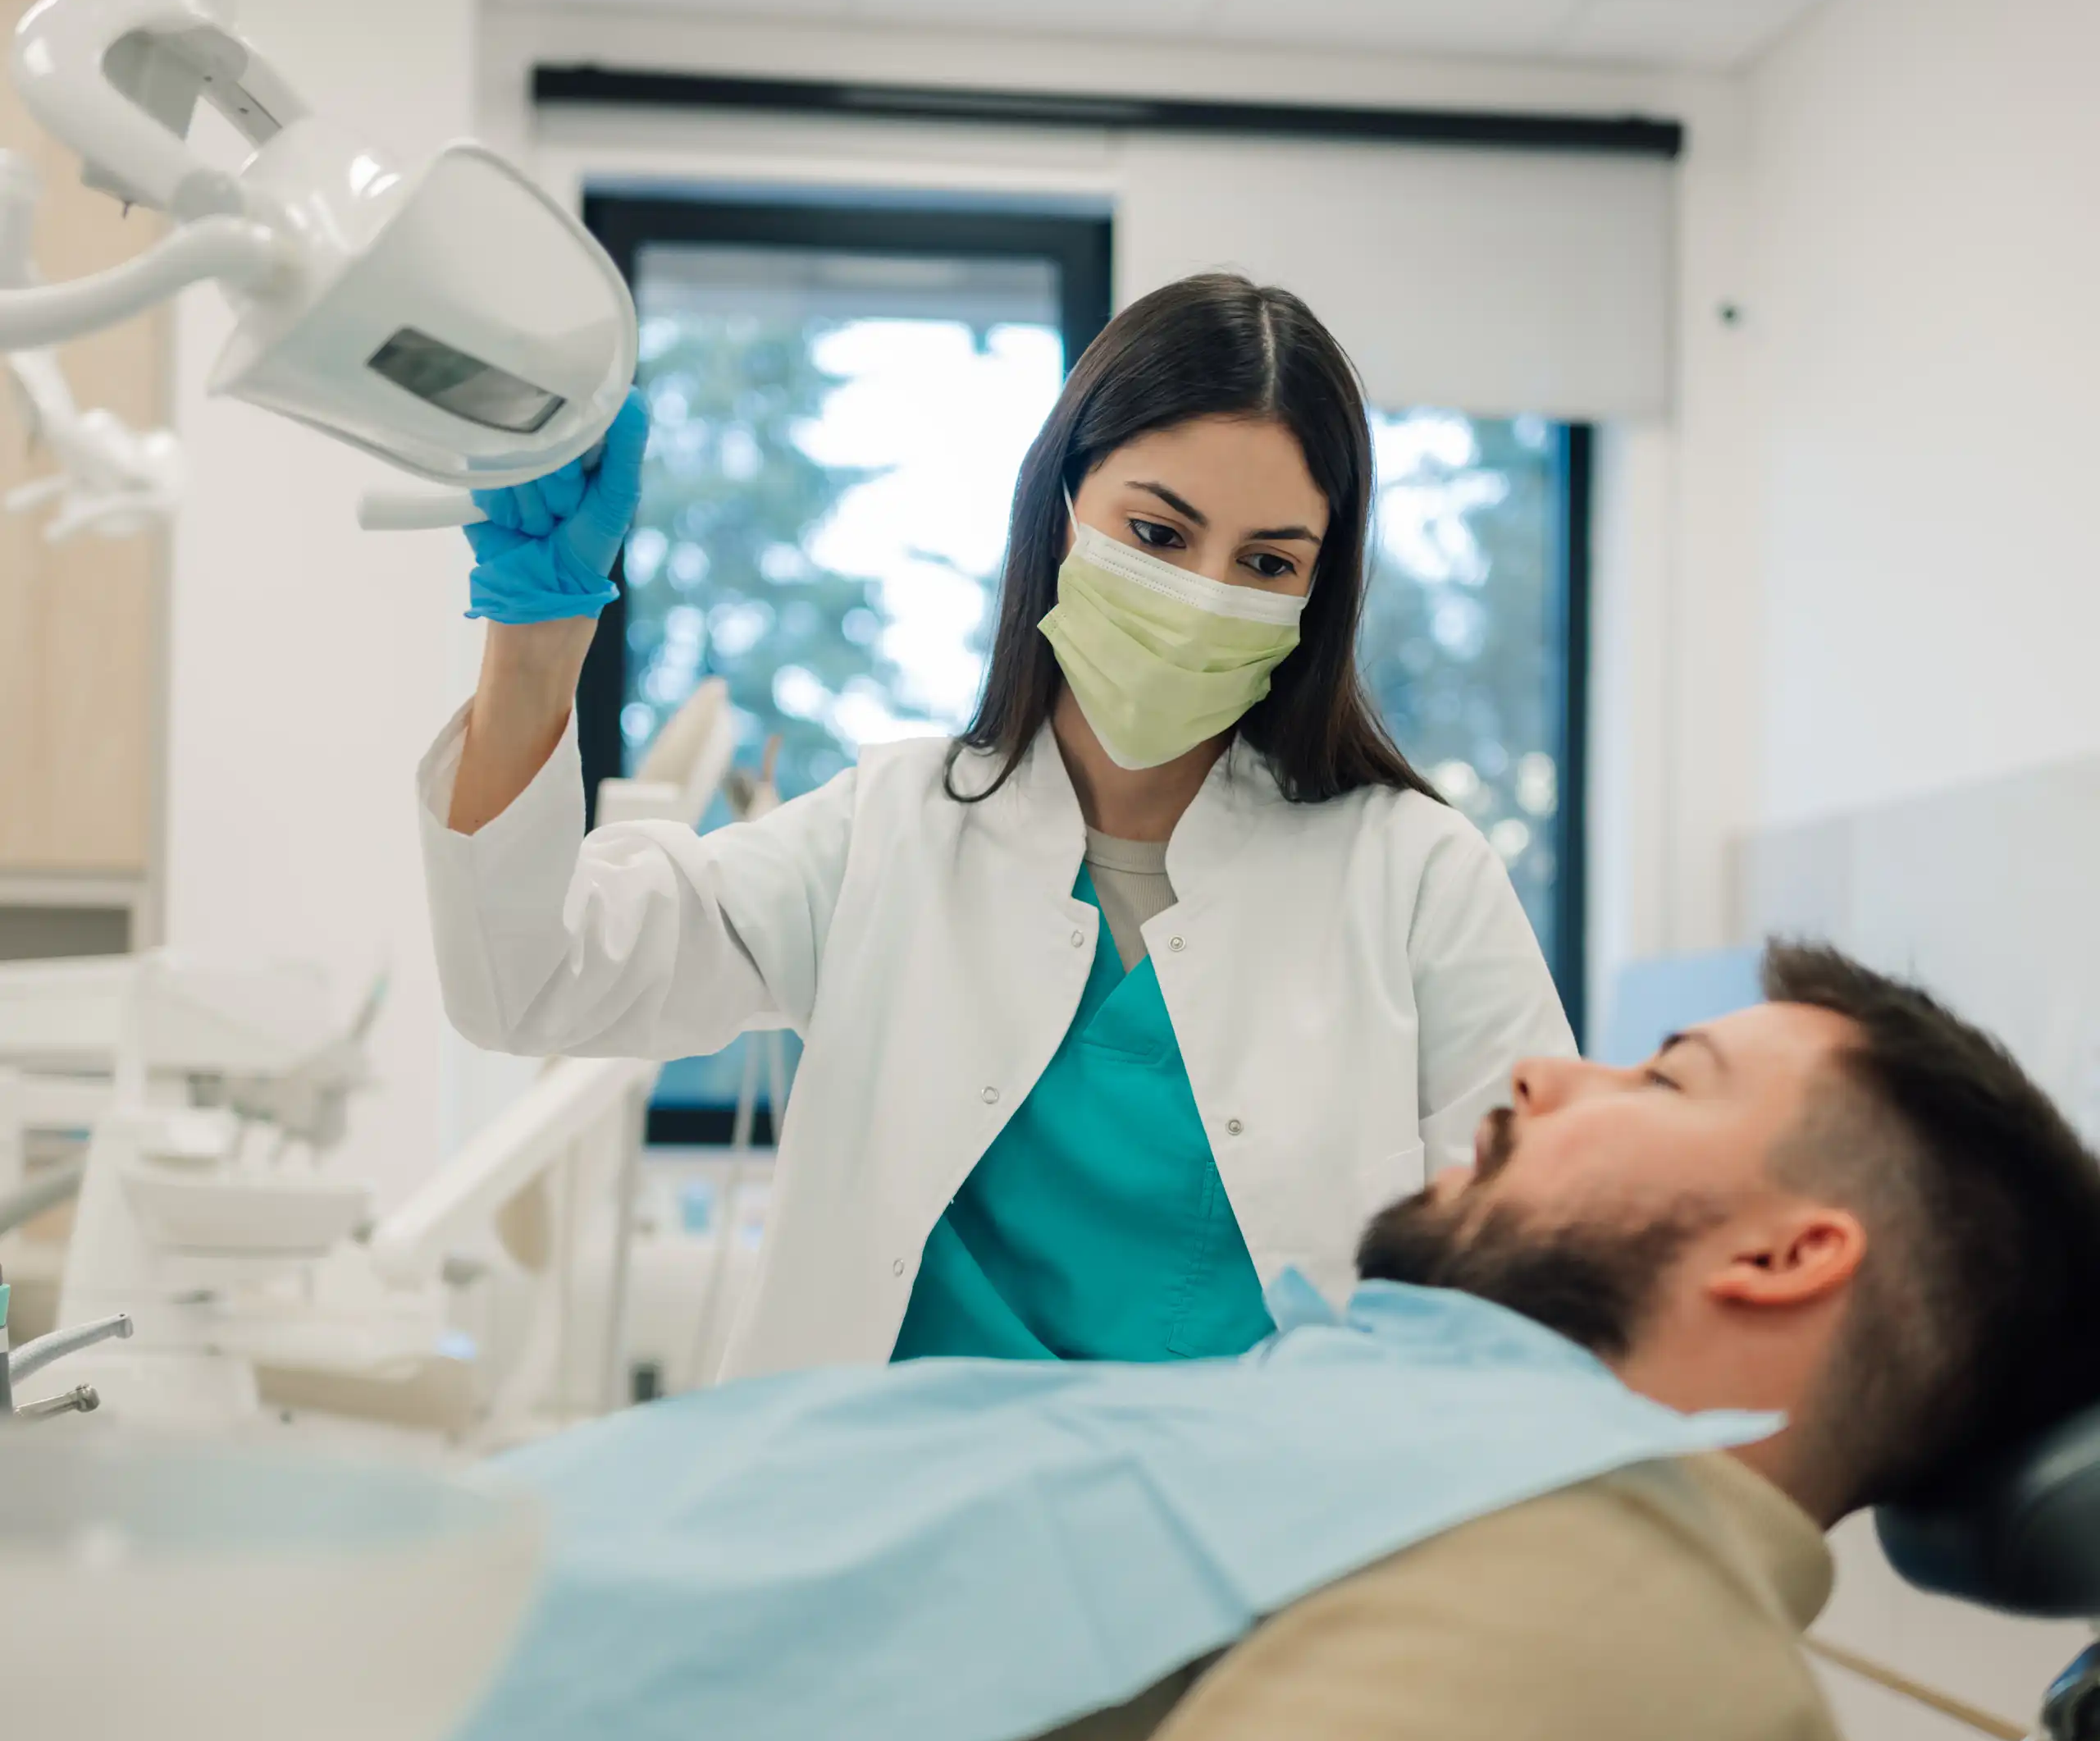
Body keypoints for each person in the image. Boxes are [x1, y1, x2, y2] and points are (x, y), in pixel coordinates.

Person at [171, 943, 2100, 1741]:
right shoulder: (1412, 1441)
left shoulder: (1615, 1610)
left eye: (1659, 1079)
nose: (1537, 1076)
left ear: (1784, 1257)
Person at [423, 272, 1574, 1377]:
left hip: (1253, 1545)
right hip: (901, 1534)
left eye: (1266, 562)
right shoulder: (887, 835)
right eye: (1161, 535)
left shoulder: (1416, 877)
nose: (1204, 596)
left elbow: (1536, 1267)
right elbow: (528, 983)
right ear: (1063, 508)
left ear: (1317, 594)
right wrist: (537, 639)